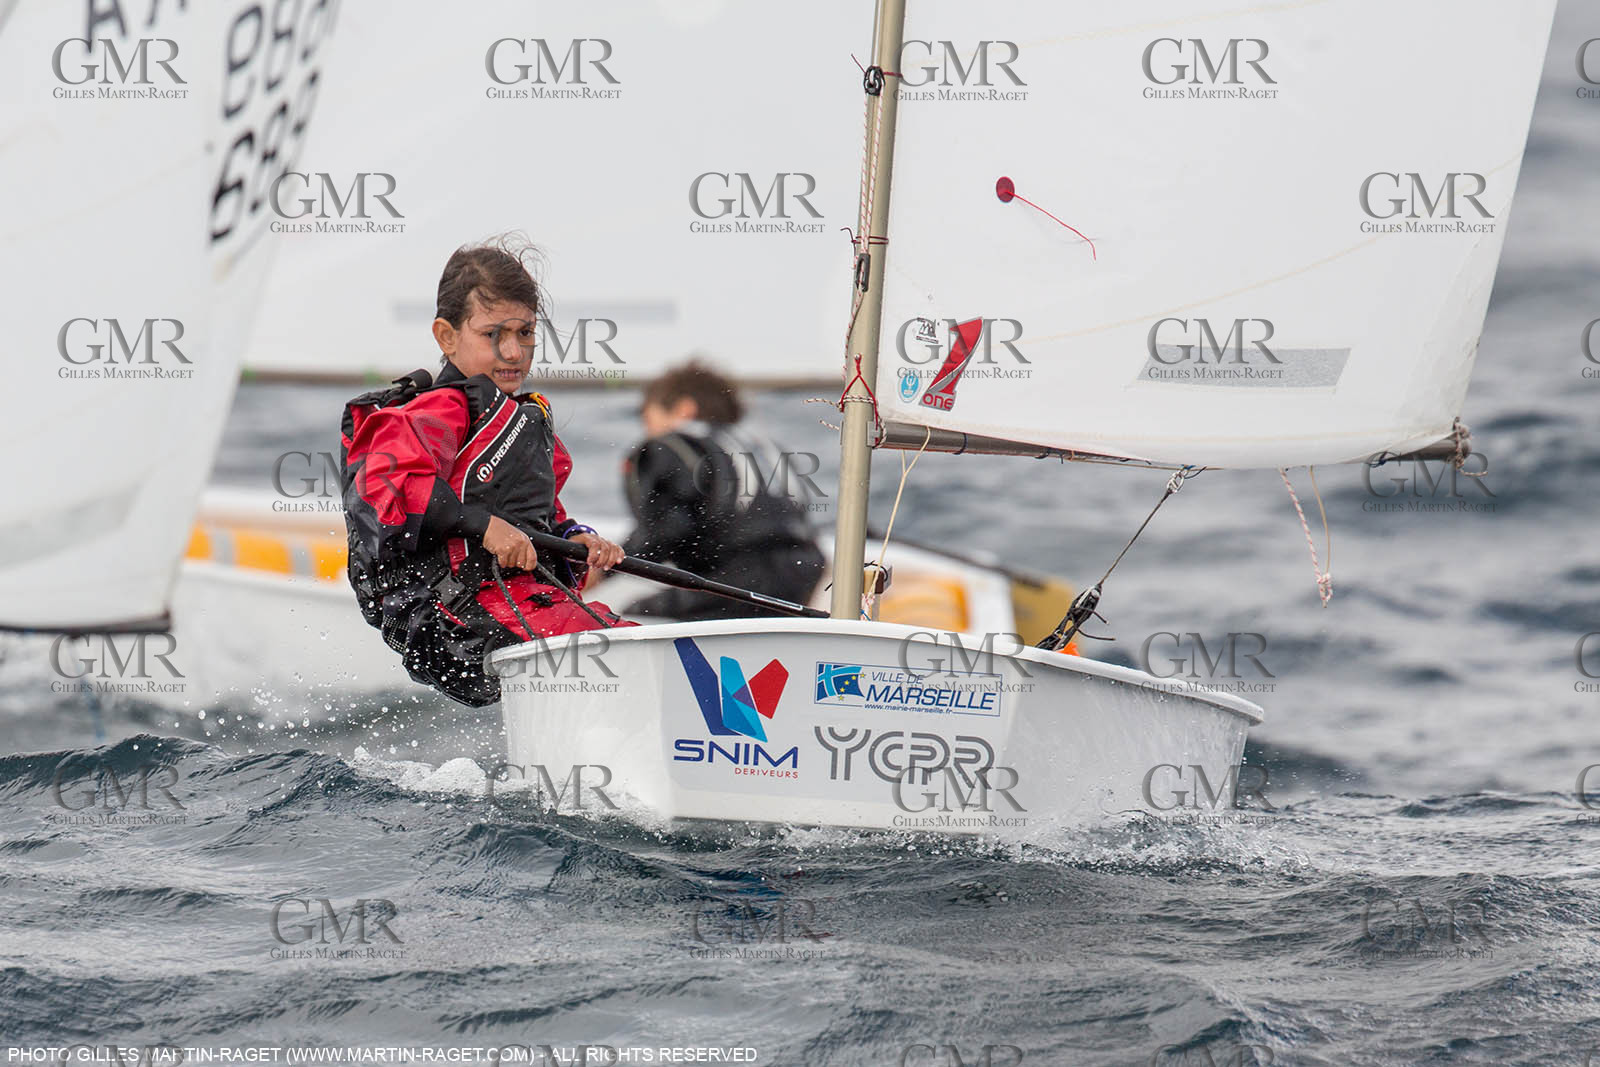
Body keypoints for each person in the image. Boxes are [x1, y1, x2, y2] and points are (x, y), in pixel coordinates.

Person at [339, 237, 632, 706]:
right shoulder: (436, 411)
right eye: (493, 334)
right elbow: (385, 489)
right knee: (614, 651)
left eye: (526, 333)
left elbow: (543, 524)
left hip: (518, 603)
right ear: (446, 336)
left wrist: (578, 541)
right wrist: (483, 526)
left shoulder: (522, 426)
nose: (514, 352)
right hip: (447, 611)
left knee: (622, 640)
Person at [619, 361, 826, 620]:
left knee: (633, 615)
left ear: (685, 409)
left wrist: (605, 567)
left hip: (738, 581)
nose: (647, 429)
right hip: (802, 573)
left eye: (648, 417)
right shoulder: (764, 447)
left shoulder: (671, 445)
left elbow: (668, 528)